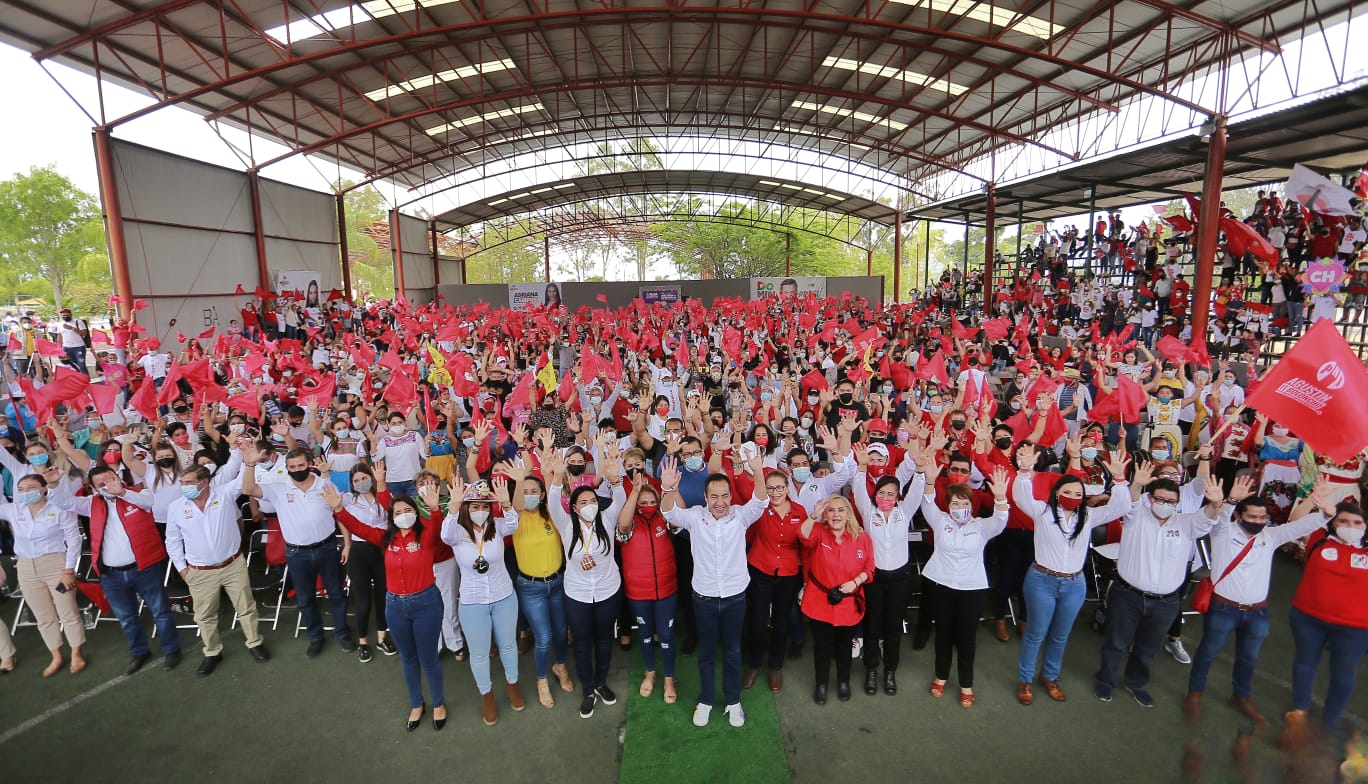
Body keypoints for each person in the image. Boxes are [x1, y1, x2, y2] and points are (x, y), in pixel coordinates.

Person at [1184, 477, 1335, 724]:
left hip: (1257, 613)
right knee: (1207, 652)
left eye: (1262, 517)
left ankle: (1241, 697)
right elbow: (1220, 518)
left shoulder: (1271, 536)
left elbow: (1298, 528)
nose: (1257, 521)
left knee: (1248, 658)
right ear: (1238, 516)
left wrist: (1326, 513)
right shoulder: (1223, 532)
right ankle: (1195, 694)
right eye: (1252, 517)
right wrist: (1230, 501)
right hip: (1223, 608)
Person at [1010, 443, 1134, 704]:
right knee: (1035, 633)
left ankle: (1050, 676)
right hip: (1042, 581)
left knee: (1060, 635)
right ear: (1056, 493)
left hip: (1074, 585)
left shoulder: (1088, 517)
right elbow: (1021, 497)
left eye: (1078, 493)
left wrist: (1120, 480)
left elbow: (1120, 507)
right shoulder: (1042, 511)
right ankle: (1025, 680)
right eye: (1067, 492)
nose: (1072, 496)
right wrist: (1024, 472)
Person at [327, 481, 451, 731]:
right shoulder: (385, 539)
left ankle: (438, 703)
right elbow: (359, 527)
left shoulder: (426, 535)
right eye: (398, 512)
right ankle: (416, 703)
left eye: (408, 510)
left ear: (416, 513)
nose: (403, 515)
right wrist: (339, 509)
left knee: (428, 659)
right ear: (391, 517)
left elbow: (437, 526)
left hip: (426, 604)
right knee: (408, 658)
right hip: (395, 607)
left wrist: (435, 508)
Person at [1094, 472, 1225, 708]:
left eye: (1171, 501)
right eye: (1160, 499)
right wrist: (1136, 484)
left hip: (1166, 602)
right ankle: (1106, 679)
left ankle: (1136, 683)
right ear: (1151, 499)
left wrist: (1216, 504)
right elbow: (1130, 501)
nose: (1165, 505)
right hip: (1127, 595)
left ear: (1178, 503)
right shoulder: (1136, 516)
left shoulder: (1186, 523)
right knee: (1116, 642)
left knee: (1148, 647)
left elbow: (1207, 519)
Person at [660, 450, 767, 728]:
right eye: (714, 496)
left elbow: (761, 500)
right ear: (705, 498)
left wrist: (757, 470)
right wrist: (667, 488)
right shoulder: (695, 517)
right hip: (704, 599)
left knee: (733, 652)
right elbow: (669, 511)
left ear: (731, 497)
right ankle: (706, 700)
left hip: (735, 598)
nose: (720, 502)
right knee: (706, 653)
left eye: (725, 496)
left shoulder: (741, 516)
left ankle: (733, 701)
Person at [52, 465, 182, 675]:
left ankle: (171, 649)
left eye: (110, 479)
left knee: (161, 612)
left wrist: (122, 493)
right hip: (111, 574)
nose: (108, 486)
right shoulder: (91, 503)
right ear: (94, 488)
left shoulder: (140, 493)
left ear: (118, 477)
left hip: (145, 568)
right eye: (101, 484)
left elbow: (148, 503)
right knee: (127, 617)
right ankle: (139, 652)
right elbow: (63, 502)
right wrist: (53, 484)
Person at [241, 445, 355, 657]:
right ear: (286, 468)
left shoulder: (325, 484)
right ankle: (315, 637)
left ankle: (342, 633)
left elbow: (340, 514)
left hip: (327, 547)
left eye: (301, 465)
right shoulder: (278, 488)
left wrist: (347, 544)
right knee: (305, 598)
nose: (297, 469)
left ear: (310, 464)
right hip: (297, 553)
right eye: (292, 467)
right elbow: (248, 489)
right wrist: (249, 464)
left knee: (337, 593)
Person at [544, 447, 627, 719]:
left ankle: (601, 682)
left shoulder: (606, 519)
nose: (590, 505)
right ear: (575, 507)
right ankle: (588, 690)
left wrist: (614, 480)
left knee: (604, 640)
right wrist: (557, 477)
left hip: (607, 591)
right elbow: (553, 501)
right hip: (577, 594)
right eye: (583, 502)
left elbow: (620, 499)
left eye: (593, 500)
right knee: (581, 644)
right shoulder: (566, 525)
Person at [920, 463, 1012, 708]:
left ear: (971, 505)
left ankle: (966, 684)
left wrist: (1000, 498)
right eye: (955, 503)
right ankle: (941, 676)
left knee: (966, 638)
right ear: (948, 506)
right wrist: (930, 482)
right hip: (941, 585)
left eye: (964, 503)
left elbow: (1001, 520)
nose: (959, 508)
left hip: (972, 590)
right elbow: (927, 504)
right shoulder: (940, 521)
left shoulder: (981, 526)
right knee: (943, 634)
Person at [166, 462, 270, 675]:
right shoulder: (176, 507)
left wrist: (248, 462)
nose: (184, 486)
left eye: (189, 482)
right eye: (182, 482)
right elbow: (172, 541)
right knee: (204, 615)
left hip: (233, 565)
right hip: (199, 571)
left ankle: (254, 642)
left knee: (246, 606)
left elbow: (242, 481)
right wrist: (182, 569)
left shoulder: (224, 494)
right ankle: (212, 652)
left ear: (204, 482)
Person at [1279, 499, 1368, 746]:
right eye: (1343, 521)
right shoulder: (1318, 539)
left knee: (1343, 674)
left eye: (1357, 522)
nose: (1350, 526)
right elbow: (1295, 521)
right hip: (1308, 619)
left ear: (1365, 526)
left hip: (1354, 627)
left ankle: (1329, 722)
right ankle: (1299, 710)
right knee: (1305, 663)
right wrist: (1311, 499)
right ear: (1332, 523)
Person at [441, 476, 524, 726]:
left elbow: (514, 523)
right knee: (479, 654)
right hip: (472, 601)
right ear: (467, 507)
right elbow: (445, 534)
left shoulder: (497, 526)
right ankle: (486, 695)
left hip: (504, 596)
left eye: (485, 506)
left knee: (508, 645)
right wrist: (454, 506)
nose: (480, 511)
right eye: (475, 506)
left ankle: (513, 684)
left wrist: (506, 503)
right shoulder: (457, 532)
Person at [850, 442, 927, 697]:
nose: (886, 498)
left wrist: (919, 469)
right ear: (875, 495)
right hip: (874, 578)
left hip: (900, 579)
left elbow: (917, 491)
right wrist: (862, 466)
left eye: (891, 494)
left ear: (898, 497)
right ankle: (871, 670)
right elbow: (858, 488)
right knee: (872, 626)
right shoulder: (868, 511)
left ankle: (890, 671)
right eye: (882, 493)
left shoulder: (904, 512)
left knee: (893, 628)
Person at [501, 460, 575, 708]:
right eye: (525, 492)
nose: (530, 496)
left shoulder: (551, 515)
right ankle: (541, 680)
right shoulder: (516, 519)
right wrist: (520, 480)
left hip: (557, 583)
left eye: (535, 491)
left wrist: (550, 473)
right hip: (531, 588)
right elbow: (516, 506)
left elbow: (554, 496)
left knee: (561, 631)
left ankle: (560, 667)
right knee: (543, 637)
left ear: (542, 495)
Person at [0, 472, 86, 676]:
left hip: (56, 564)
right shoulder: (14, 510)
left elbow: (74, 540)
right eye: (21, 490)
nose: (25, 493)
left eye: (31, 488)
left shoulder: (59, 509)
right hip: (26, 567)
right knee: (43, 615)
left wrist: (69, 570)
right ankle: (56, 656)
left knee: (68, 611)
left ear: (43, 488)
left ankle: (76, 653)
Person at [798, 493, 873, 704]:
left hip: (848, 602)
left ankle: (843, 681)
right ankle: (821, 683)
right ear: (826, 514)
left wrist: (855, 582)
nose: (836, 514)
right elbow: (801, 535)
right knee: (822, 646)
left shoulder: (862, 537)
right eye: (831, 510)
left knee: (844, 645)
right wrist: (814, 515)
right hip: (819, 601)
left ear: (849, 513)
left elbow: (870, 568)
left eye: (841, 510)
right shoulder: (818, 531)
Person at [742, 466, 808, 694]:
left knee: (781, 623)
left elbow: (805, 546)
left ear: (787, 488)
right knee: (757, 622)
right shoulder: (759, 508)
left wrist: (807, 579)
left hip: (788, 573)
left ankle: (775, 667)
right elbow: (748, 535)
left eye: (779, 487)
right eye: (770, 488)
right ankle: (754, 665)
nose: (775, 492)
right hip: (760, 570)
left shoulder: (800, 511)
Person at [616, 473, 678, 704]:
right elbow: (622, 525)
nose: (648, 505)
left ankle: (669, 678)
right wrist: (635, 491)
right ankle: (650, 672)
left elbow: (678, 517)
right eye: (643, 502)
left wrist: (670, 490)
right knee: (644, 633)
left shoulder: (665, 520)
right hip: (638, 592)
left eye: (653, 501)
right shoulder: (630, 523)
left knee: (667, 634)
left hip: (666, 590)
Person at [340, 462, 397, 662]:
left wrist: (381, 483)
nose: (361, 482)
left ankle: (382, 638)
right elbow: (341, 517)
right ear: (352, 483)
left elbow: (392, 516)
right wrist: (347, 544)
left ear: (371, 478)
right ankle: (363, 642)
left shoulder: (384, 495)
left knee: (383, 597)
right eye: (356, 480)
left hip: (382, 551)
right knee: (363, 602)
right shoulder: (348, 499)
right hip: (359, 552)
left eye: (364, 478)